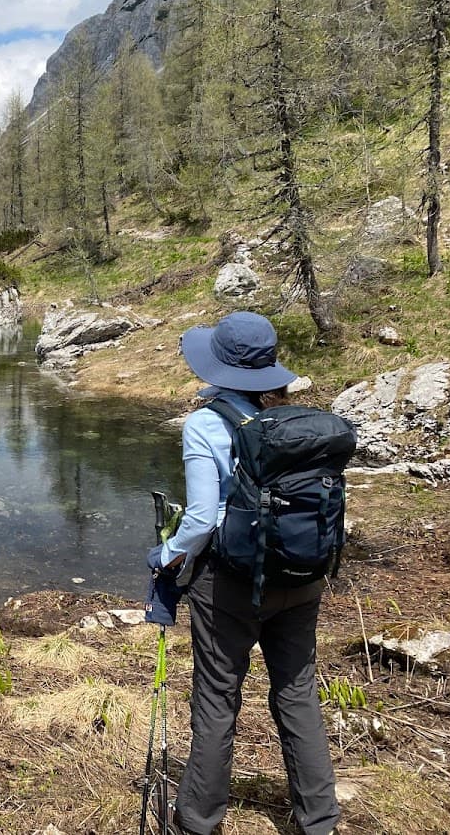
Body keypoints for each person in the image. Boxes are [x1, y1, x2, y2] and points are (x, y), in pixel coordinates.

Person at [156, 311, 340, 835]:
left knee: (217, 697)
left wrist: (167, 553)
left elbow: (200, 519)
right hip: (301, 579)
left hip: (231, 585)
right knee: (298, 691)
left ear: (218, 365)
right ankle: (319, 821)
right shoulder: (296, 421)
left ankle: (197, 820)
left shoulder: (205, 423)